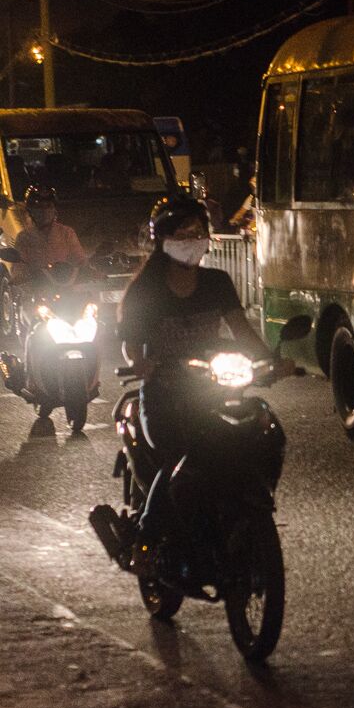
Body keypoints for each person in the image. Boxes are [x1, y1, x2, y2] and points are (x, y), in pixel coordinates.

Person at [119, 195, 287, 573]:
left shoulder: (217, 282)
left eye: (197, 231)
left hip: (213, 390)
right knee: (182, 454)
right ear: (162, 239)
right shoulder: (146, 290)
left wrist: (272, 362)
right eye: (182, 232)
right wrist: (141, 363)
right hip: (164, 394)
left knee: (263, 430)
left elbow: (243, 333)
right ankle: (146, 538)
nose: (191, 239)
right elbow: (131, 345)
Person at [13, 185, 87, 285]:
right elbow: (19, 265)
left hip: (66, 287)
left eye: (48, 206)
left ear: (54, 209)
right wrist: (19, 277)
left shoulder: (67, 233)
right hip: (37, 290)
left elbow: (79, 258)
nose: (44, 211)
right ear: (31, 211)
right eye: (39, 207)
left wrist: (89, 270)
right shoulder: (23, 238)